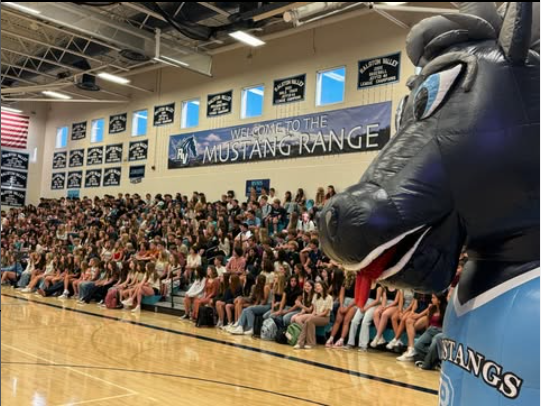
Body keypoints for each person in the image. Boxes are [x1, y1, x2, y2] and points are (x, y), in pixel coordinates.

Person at [293, 281, 333, 350]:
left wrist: (315, 316)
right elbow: (314, 310)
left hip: (324, 318)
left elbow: (325, 312)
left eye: (318, 286)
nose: (317, 287)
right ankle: (303, 343)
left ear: (323, 287)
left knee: (309, 320)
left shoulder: (329, 298)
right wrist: (312, 315)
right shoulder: (315, 296)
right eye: (316, 286)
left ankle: (304, 343)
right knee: (308, 320)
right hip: (316, 315)